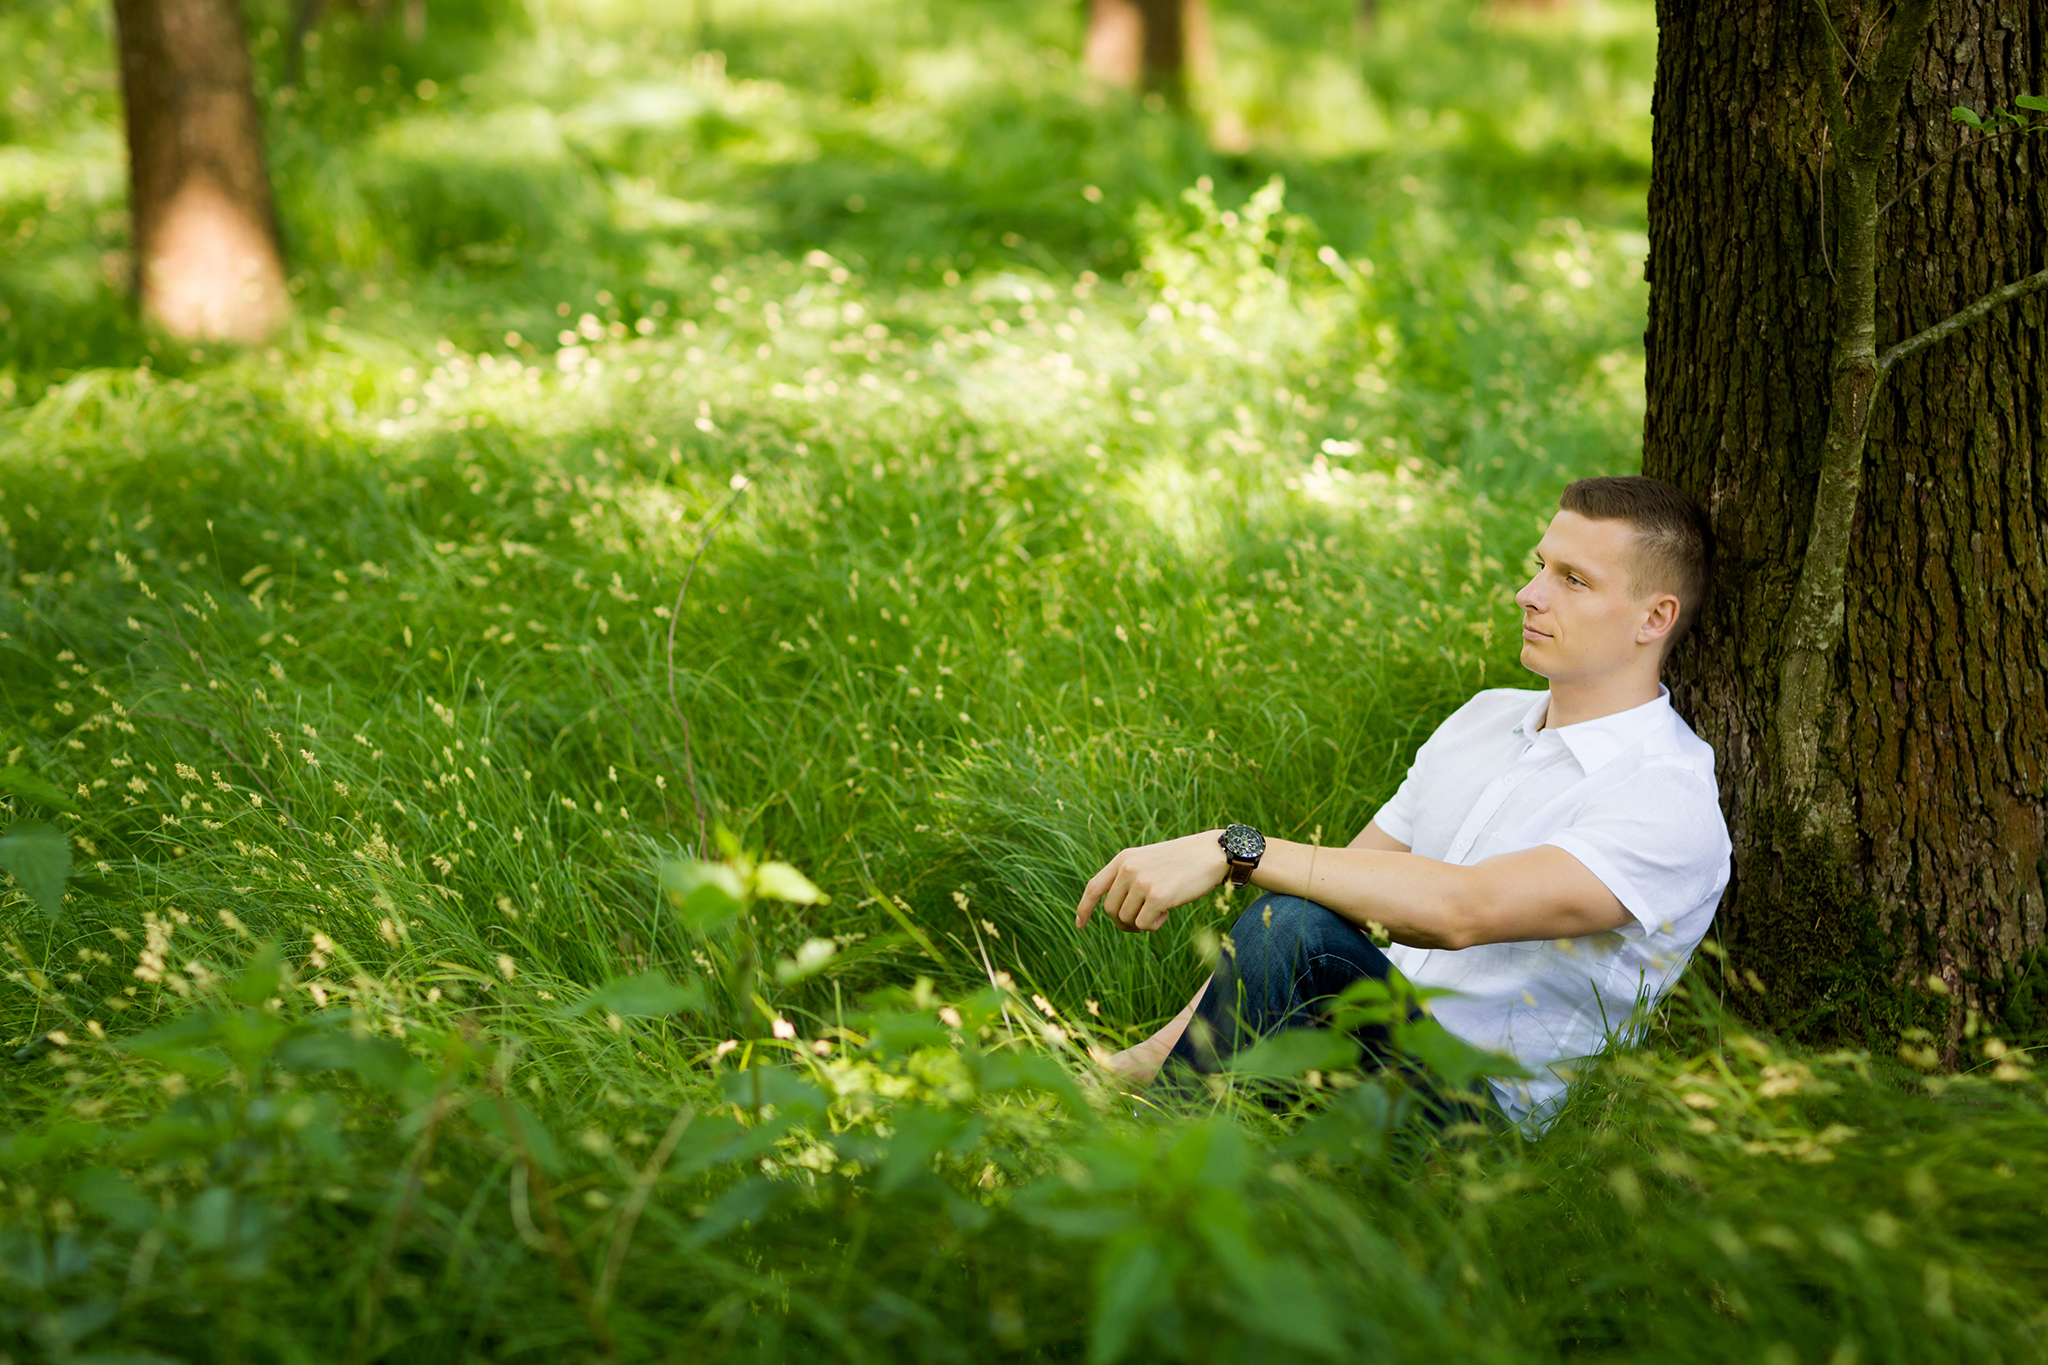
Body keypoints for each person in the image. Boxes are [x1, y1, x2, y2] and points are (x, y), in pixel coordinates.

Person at [1075, 476, 1732, 1133]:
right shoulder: (1484, 718)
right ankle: (1158, 1133)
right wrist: (1143, 1057)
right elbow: (1332, 888)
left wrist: (1233, 849)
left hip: (1474, 1124)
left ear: (1655, 618)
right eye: (1540, 567)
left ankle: (1153, 1181)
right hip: (1361, 1050)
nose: (1528, 595)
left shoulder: (1667, 796)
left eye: (1573, 580)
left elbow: (1462, 909)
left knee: (1293, 925)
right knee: (1295, 918)